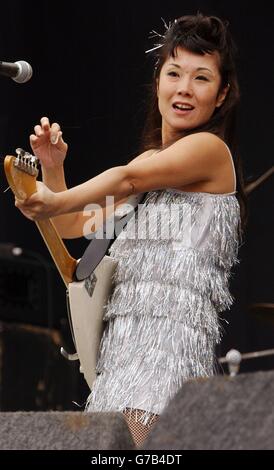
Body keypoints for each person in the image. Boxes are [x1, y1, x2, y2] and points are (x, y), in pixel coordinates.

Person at [15, 12, 247, 447]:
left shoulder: (210, 151)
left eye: (201, 78)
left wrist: (53, 199)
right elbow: (71, 226)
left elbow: (126, 180)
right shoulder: (148, 166)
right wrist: (53, 171)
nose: (183, 88)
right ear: (158, 79)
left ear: (222, 95)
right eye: (174, 73)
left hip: (166, 363)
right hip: (120, 366)